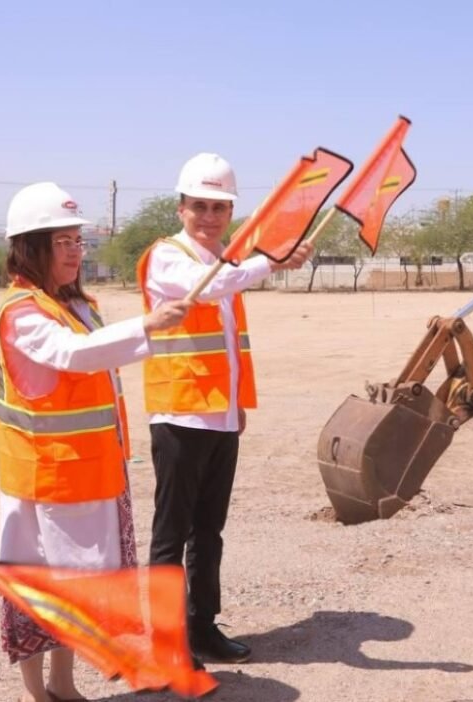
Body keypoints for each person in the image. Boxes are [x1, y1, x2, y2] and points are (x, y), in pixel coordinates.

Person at [0, 182, 191, 702]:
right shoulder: (23, 313)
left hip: (91, 472)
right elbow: (74, 355)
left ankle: (64, 684)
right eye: (63, 243)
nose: (76, 253)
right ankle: (38, 693)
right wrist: (147, 324)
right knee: (41, 588)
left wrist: (148, 328)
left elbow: (96, 354)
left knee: (79, 588)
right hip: (44, 480)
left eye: (79, 242)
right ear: (30, 248)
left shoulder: (77, 305)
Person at [136, 153, 312, 664]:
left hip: (219, 416)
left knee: (208, 531)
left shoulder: (226, 263)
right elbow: (208, 287)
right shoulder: (168, 258)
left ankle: (201, 627)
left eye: (219, 207)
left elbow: (228, 345)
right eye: (200, 206)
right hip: (179, 417)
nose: (210, 217)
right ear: (180, 208)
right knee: (171, 535)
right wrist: (271, 259)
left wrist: (235, 407)